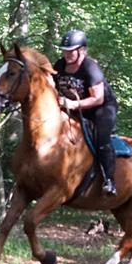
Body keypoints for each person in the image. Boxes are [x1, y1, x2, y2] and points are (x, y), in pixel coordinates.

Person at [54, 29, 119, 196]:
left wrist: (73, 104)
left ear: (81, 50)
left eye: (71, 50)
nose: (67, 54)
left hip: (102, 108)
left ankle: (109, 180)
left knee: (101, 138)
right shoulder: (59, 65)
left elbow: (97, 98)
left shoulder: (90, 67)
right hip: (75, 106)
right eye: (65, 50)